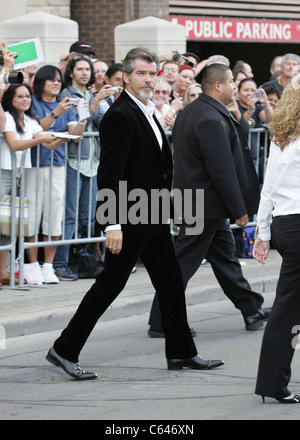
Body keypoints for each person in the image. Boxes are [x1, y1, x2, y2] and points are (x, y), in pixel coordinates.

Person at [45, 47, 224, 380]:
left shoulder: (148, 110)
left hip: (151, 214)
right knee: (110, 284)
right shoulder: (120, 114)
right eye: (141, 73)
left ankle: (182, 353)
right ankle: (64, 349)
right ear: (125, 76)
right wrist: (112, 222)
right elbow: (109, 173)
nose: (148, 79)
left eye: (151, 73)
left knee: (171, 283)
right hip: (129, 216)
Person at [148, 64, 271, 338]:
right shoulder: (208, 117)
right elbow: (221, 168)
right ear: (218, 85)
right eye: (231, 83)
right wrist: (238, 208)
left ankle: (251, 309)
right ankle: (162, 320)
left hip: (202, 203)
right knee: (182, 264)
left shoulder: (195, 112)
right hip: (201, 205)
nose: (234, 89)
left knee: (226, 259)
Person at [253, 73, 300, 404]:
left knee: (288, 307)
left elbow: (268, 187)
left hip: (285, 224)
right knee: (287, 308)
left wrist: (264, 231)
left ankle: (273, 380)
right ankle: (272, 381)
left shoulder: (281, 135)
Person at [25, 65, 87, 284]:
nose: (56, 83)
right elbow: (34, 130)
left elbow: (76, 136)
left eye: (59, 80)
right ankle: (32, 265)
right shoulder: (32, 102)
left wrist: (82, 117)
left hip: (58, 164)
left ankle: (49, 266)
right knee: (32, 215)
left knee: (54, 215)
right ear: (41, 82)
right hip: (31, 165)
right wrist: (55, 113)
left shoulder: (67, 104)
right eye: (51, 80)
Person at [0, 84, 62, 286]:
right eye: (21, 96)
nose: (26, 100)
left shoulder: (30, 120)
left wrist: (61, 138)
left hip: (20, 175)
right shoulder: (7, 118)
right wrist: (40, 139)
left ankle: (3, 271)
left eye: (28, 96)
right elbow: (14, 144)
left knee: (7, 226)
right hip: (4, 174)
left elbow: (47, 143)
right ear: (11, 99)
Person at [53, 55, 102, 281]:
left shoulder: (92, 94)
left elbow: (102, 121)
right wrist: (95, 102)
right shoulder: (66, 95)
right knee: (70, 215)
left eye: (87, 69)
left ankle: (84, 260)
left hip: (92, 161)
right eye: (80, 69)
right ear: (71, 72)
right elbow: (84, 120)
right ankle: (60, 261)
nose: (85, 73)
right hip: (74, 160)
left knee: (88, 217)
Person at [237, 78, 273, 164]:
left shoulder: (258, 107)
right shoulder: (234, 106)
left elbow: (270, 120)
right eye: (246, 90)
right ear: (238, 92)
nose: (250, 93)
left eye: (253, 90)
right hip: (238, 153)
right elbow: (240, 124)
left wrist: (265, 103)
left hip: (254, 154)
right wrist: (250, 110)